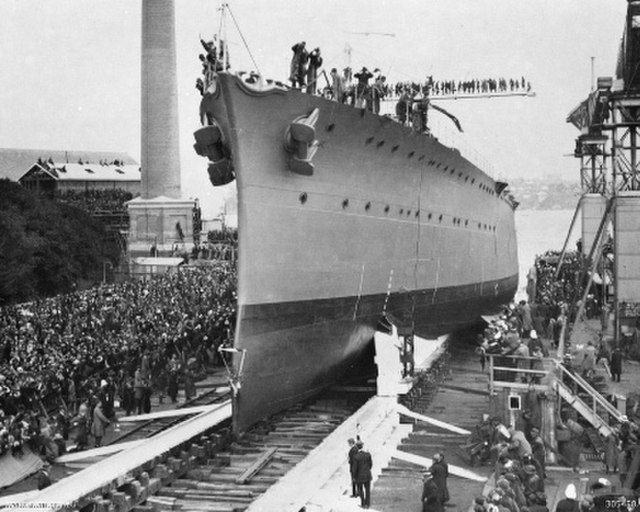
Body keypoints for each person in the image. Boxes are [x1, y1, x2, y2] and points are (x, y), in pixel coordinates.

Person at [353, 440, 372, 509]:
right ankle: (368, 504)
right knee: (367, 490)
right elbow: (370, 465)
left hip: (359, 476)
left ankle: (363, 504)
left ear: (357, 447)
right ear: (362, 446)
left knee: (360, 490)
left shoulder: (356, 456)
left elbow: (354, 468)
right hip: (367, 475)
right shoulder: (368, 454)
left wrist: (354, 477)